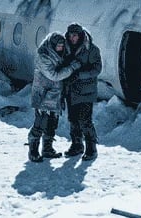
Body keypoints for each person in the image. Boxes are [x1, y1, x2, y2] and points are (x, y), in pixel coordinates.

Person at [28, 32, 80, 163]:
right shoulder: (43, 57)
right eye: (58, 46)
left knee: (52, 124)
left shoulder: (59, 55)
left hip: (55, 95)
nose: (61, 48)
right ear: (52, 45)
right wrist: (72, 67)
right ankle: (33, 151)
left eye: (62, 46)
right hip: (43, 96)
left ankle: (47, 149)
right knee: (40, 123)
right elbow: (54, 75)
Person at [63, 23, 102, 161]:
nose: (72, 38)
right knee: (73, 119)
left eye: (75, 35)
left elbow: (97, 69)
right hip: (71, 91)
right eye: (70, 35)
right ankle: (77, 145)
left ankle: (91, 148)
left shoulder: (91, 49)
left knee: (85, 121)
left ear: (80, 35)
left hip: (86, 92)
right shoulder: (66, 48)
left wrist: (80, 74)